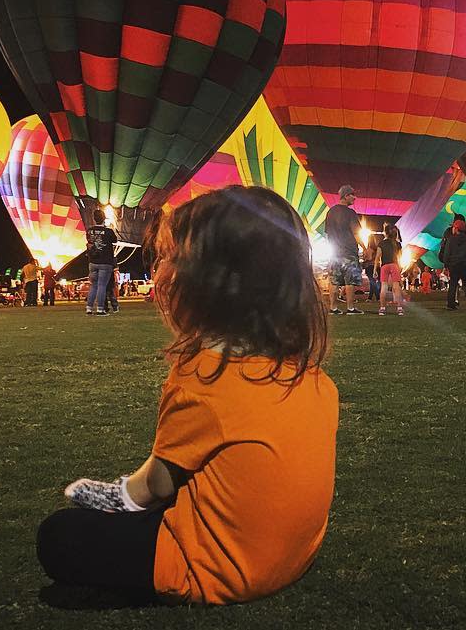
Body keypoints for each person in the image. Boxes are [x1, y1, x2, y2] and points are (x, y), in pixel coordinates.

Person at [36, 186, 338, 606]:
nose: (163, 269)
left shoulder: (204, 378)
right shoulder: (313, 378)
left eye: (174, 258)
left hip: (218, 569)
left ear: (206, 283)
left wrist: (116, 497)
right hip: (291, 558)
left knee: (59, 537)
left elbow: (155, 487)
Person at [324, 185, 366, 315]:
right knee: (350, 280)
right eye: (352, 195)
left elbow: (327, 233)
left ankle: (333, 308)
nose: (354, 197)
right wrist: (365, 247)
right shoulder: (350, 213)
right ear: (346, 196)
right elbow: (356, 232)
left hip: (335, 252)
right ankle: (350, 308)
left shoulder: (330, 212)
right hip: (349, 252)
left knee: (334, 280)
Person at [438, 214, 466, 311]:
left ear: (456, 228)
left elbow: (447, 253)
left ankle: (451, 304)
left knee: (453, 284)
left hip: (454, 265)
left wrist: (446, 264)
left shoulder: (451, 239)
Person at [85, 209, 117, 315]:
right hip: (105, 261)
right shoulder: (108, 231)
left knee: (93, 285)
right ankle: (100, 308)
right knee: (102, 285)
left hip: (92, 261)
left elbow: (89, 241)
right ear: (104, 218)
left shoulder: (89, 231)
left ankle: (89, 308)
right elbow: (115, 240)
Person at [373, 223, 405, 316]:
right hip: (394, 265)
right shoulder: (398, 244)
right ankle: (399, 308)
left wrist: (375, 269)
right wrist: (399, 268)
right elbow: (400, 258)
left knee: (383, 288)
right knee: (396, 287)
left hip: (384, 266)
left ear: (385, 233)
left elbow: (377, 258)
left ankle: (382, 308)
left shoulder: (381, 243)